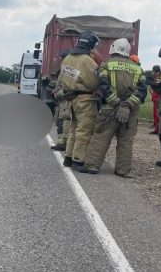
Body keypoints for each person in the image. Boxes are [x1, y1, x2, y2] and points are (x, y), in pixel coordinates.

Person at [83, 38, 147, 177]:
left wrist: (117, 103)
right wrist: (127, 104)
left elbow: (103, 86)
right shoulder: (138, 68)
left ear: (113, 49)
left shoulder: (106, 65)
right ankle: (122, 170)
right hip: (130, 112)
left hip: (109, 110)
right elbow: (142, 92)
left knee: (101, 136)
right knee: (126, 141)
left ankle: (92, 166)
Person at [58, 32, 102, 171]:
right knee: (84, 131)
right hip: (86, 100)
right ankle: (79, 160)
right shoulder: (87, 61)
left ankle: (68, 158)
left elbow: (63, 79)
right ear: (90, 45)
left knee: (73, 130)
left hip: (72, 99)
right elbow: (94, 82)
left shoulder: (68, 58)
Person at [50, 49, 73, 151]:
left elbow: (68, 87)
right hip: (62, 102)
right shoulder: (64, 70)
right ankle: (61, 143)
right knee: (60, 122)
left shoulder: (69, 71)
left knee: (64, 123)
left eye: (62, 58)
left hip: (66, 101)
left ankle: (64, 144)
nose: (61, 61)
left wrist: (58, 93)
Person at [149, 65, 161, 134]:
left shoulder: (160, 78)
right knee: (156, 113)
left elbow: (159, 88)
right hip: (155, 96)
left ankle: (158, 129)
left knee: (157, 113)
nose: (152, 73)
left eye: (153, 71)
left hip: (158, 96)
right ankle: (157, 128)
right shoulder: (157, 77)